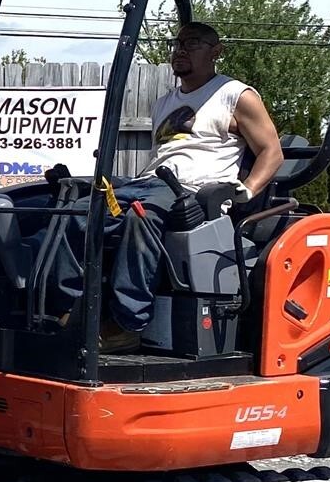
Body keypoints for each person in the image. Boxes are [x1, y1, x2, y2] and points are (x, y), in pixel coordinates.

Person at [102, 21, 285, 333]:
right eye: (178, 44)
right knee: (80, 205)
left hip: (192, 191)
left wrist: (248, 189)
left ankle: (127, 326)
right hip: (150, 184)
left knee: (139, 216)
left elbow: (272, 151)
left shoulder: (235, 95)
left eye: (193, 43)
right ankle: (62, 306)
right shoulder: (163, 103)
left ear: (216, 52)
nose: (181, 50)